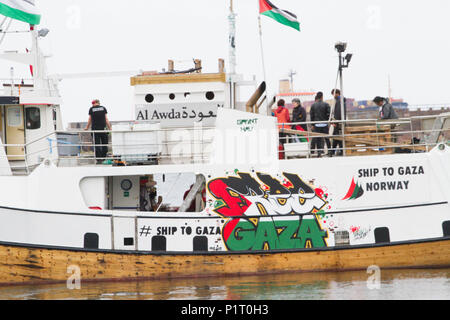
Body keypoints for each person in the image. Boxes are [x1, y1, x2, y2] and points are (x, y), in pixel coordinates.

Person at [84, 99, 112, 164]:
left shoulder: (91, 109)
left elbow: (89, 119)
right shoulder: (103, 108)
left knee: (97, 145)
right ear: (99, 103)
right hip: (103, 129)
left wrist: (87, 127)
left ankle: (99, 159)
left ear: (94, 103)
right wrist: (110, 128)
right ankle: (104, 158)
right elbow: (106, 119)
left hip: (95, 129)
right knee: (104, 144)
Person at [310, 92, 331, 157]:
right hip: (324, 124)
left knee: (318, 139)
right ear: (322, 97)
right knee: (327, 138)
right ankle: (330, 152)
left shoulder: (313, 105)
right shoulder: (326, 104)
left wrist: (312, 124)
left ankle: (319, 153)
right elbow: (329, 114)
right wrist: (327, 121)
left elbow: (312, 116)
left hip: (317, 125)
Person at [330, 89, 347, 156]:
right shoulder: (340, 100)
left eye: (333, 94)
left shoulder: (339, 101)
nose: (333, 96)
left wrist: (336, 122)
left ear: (337, 93)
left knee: (337, 137)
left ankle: (334, 151)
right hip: (339, 122)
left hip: (338, 123)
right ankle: (337, 151)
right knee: (337, 137)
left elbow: (338, 113)